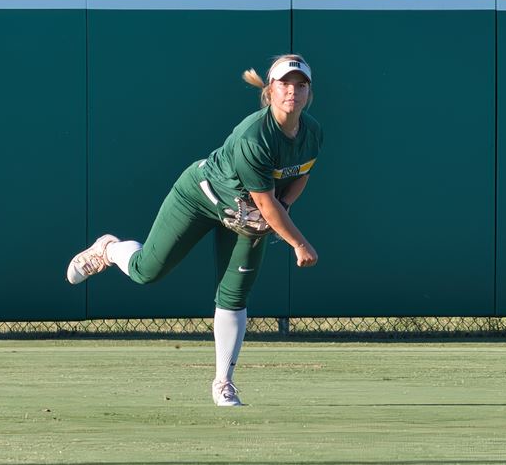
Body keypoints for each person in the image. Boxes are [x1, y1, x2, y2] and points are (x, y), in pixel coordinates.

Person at [66, 55, 322, 407]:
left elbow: (300, 174)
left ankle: (224, 383)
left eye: (300, 85)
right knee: (147, 271)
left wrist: (286, 205)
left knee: (235, 296)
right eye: (284, 83)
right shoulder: (254, 136)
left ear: (309, 93)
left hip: (244, 216)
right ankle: (108, 249)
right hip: (200, 195)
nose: (292, 91)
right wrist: (298, 243)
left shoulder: (312, 132)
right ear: (270, 90)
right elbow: (266, 205)